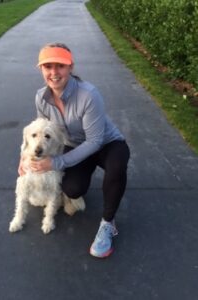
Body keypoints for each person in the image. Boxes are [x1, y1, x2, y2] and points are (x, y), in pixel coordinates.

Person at [18, 42, 130, 258]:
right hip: (76, 146)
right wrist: (24, 157)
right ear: (41, 69)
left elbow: (95, 141)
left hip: (106, 144)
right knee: (73, 189)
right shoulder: (41, 97)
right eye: (47, 66)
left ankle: (108, 223)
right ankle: (80, 184)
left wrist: (57, 162)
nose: (54, 72)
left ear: (70, 67)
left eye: (60, 66)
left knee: (117, 167)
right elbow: (39, 132)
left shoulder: (89, 95)